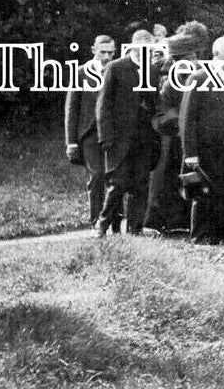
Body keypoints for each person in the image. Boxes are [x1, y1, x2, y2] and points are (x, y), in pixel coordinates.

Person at [95, 30, 160, 236]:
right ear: (133, 47)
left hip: (144, 138)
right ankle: (102, 225)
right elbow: (103, 105)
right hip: (119, 138)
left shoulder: (152, 70)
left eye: (149, 50)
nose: (145, 54)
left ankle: (135, 229)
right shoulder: (116, 68)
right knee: (117, 184)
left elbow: (154, 102)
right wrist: (105, 136)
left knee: (141, 185)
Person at [143, 29, 207, 234]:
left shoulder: (192, 76)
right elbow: (161, 108)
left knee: (188, 177)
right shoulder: (170, 80)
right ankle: (157, 222)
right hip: (171, 137)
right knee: (165, 179)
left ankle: (183, 221)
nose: (196, 59)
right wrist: (181, 119)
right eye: (192, 56)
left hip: (187, 134)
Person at [181, 35, 224, 244]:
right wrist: (190, 153)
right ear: (215, 55)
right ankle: (200, 236)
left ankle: (221, 236)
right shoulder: (198, 78)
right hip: (204, 148)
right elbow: (187, 119)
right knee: (202, 193)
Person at [64, 34, 115, 225]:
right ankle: (96, 221)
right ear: (93, 50)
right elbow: (72, 108)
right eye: (102, 52)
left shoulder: (117, 70)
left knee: (114, 177)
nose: (107, 56)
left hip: (111, 133)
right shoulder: (81, 72)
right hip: (89, 133)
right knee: (97, 175)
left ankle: (113, 221)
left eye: (111, 52)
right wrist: (71, 142)